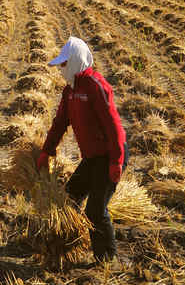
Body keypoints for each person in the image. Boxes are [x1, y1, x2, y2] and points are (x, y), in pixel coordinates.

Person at [36, 37, 128, 264]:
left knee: (96, 210)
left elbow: (113, 126)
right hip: (92, 157)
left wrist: (116, 161)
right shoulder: (70, 91)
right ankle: (71, 242)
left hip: (109, 156)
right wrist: (47, 151)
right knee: (70, 197)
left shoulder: (95, 87)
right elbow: (59, 123)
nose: (61, 70)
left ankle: (106, 260)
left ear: (76, 61)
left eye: (64, 65)